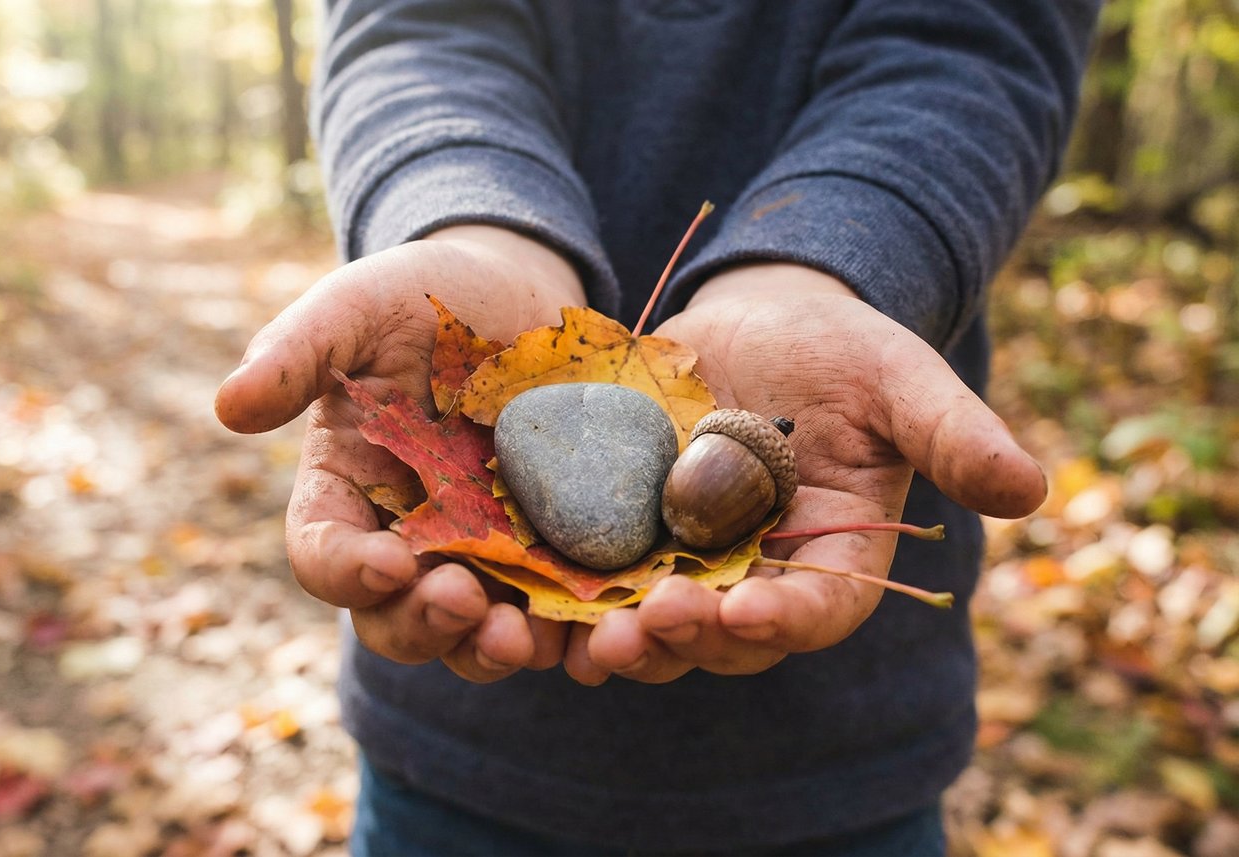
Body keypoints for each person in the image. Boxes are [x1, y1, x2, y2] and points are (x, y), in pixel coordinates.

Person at [217, 1, 1100, 854]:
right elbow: (415, 30)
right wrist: (472, 222)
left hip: (834, 754)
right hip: (451, 743)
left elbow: (967, 46)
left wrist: (825, 265)